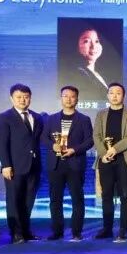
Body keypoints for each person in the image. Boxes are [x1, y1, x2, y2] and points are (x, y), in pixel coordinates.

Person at [42, 86, 93, 241]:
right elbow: (43, 137)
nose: (68, 99)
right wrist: (53, 145)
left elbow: (90, 141)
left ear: (77, 99)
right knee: (55, 200)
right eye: (65, 96)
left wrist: (74, 150)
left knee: (77, 199)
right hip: (55, 164)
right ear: (61, 98)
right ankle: (57, 232)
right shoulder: (51, 119)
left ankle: (77, 232)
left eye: (72, 96)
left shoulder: (84, 119)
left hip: (74, 163)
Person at [0, 83, 43, 243]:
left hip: (34, 166)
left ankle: (26, 231)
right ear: (12, 98)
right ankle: (16, 233)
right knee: (14, 200)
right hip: (14, 167)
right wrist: (5, 165)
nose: (23, 100)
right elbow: (2, 144)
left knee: (29, 200)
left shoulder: (37, 117)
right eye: (19, 97)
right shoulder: (4, 117)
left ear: (30, 98)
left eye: (26, 97)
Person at [94, 83, 127, 242]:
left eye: (118, 93)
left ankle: (123, 229)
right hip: (105, 159)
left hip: (123, 158)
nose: (114, 96)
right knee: (106, 194)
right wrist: (104, 154)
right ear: (107, 95)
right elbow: (96, 135)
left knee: (125, 194)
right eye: (111, 93)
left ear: (123, 96)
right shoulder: (101, 114)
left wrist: (115, 149)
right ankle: (107, 228)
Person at [72, 28, 111, 103]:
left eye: (97, 41)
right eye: (86, 41)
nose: (93, 46)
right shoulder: (77, 74)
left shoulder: (99, 73)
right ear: (76, 46)